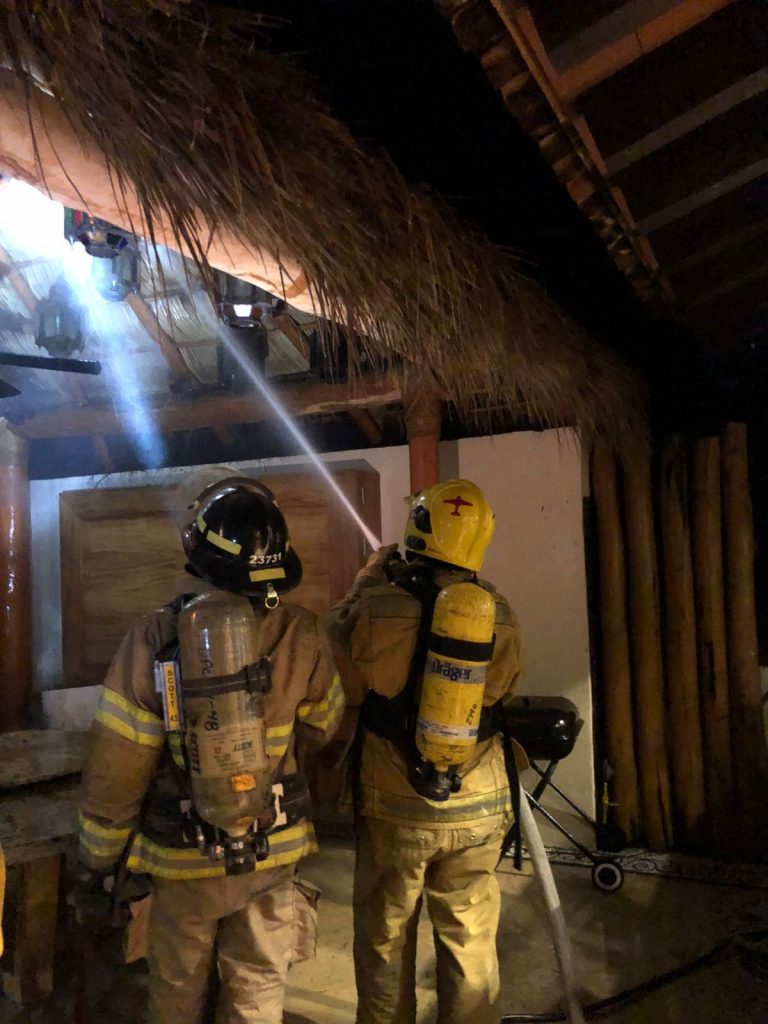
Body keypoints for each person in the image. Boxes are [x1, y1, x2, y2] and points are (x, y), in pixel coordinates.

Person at [73, 473, 345, 1024]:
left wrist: (99, 857)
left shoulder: (153, 639)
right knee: (258, 988)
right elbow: (323, 727)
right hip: (271, 850)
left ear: (196, 551)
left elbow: (117, 766)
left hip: (183, 857)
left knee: (176, 988)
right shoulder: (303, 634)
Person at [326, 478, 522, 1024]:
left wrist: (368, 578)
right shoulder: (498, 612)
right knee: (471, 938)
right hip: (480, 802)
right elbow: (504, 685)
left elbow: (331, 643)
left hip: (397, 807)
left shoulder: (379, 606)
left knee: (386, 938)